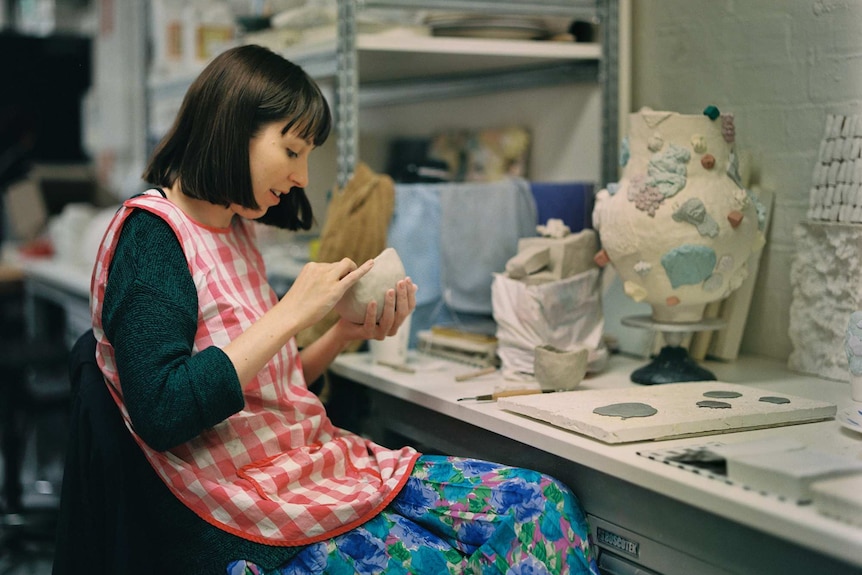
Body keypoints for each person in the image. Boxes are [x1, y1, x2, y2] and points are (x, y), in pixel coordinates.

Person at [83, 44, 599, 574]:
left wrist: (342, 332)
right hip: (245, 518)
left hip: (312, 472)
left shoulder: (235, 228)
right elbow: (163, 413)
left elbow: (266, 388)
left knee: (543, 505)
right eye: (292, 151)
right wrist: (290, 315)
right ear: (233, 130)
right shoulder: (152, 239)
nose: (303, 176)